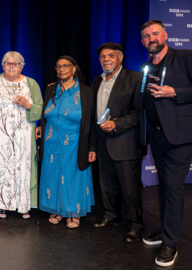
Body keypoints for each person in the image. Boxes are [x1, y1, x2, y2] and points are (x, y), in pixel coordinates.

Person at [139, 20, 192, 267]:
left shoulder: (185, 57)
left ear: (165, 35)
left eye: (155, 34)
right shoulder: (147, 66)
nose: (151, 38)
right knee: (163, 187)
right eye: (147, 36)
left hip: (180, 137)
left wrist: (175, 93)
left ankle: (170, 243)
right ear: (143, 42)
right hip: (157, 137)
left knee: (173, 188)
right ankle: (164, 232)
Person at [91, 43, 145, 242]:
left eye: (110, 56)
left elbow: (140, 114)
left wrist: (117, 124)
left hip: (125, 142)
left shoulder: (135, 78)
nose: (106, 59)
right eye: (102, 56)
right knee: (106, 184)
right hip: (102, 141)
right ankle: (111, 216)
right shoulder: (97, 80)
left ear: (120, 58)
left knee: (130, 189)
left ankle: (135, 226)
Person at [36, 56, 96, 228]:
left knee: (72, 176)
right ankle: (57, 209)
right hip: (51, 143)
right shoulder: (50, 90)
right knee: (53, 174)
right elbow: (46, 113)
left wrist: (92, 147)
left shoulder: (85, 92)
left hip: (75, 144)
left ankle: (73, 211)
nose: (61, 69)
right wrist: (40, 126)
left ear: (74, 69)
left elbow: (92, 122)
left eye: (65, 66)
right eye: (58, 66)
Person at [0, 51, 43, 219]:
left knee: (22, 170)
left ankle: (23, 205)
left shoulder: (31, 83)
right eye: (7, 63)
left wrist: (28, 105)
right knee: (0, 170)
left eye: (15, 64)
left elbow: (41, 109)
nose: (11, 66)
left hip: (22, 139)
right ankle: (0, 205)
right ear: (2, 65)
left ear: (21, 66)